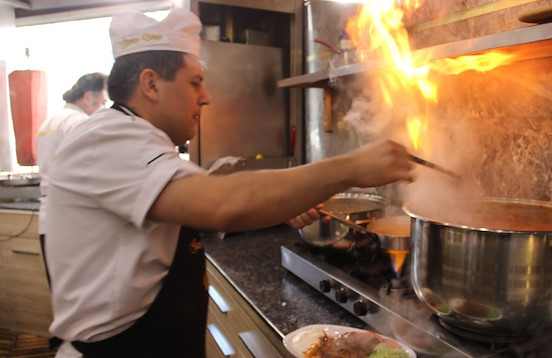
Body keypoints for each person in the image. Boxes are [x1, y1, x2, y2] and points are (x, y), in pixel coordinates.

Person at [45, 8, 414, 358]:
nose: (205, 97)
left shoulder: (138, 139)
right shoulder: (107, 139)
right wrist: (352, 166)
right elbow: (220, 203)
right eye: (195, 83)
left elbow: (191, 201)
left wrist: (285, 202)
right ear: (151, 84)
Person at [35, 72, 108, 285]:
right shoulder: (78, 122)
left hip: (48, 221)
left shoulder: (49, 122)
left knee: (61, 295)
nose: (103, 108)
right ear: (88, 97)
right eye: (102, 102)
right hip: (72, 221)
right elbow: (95, 170)